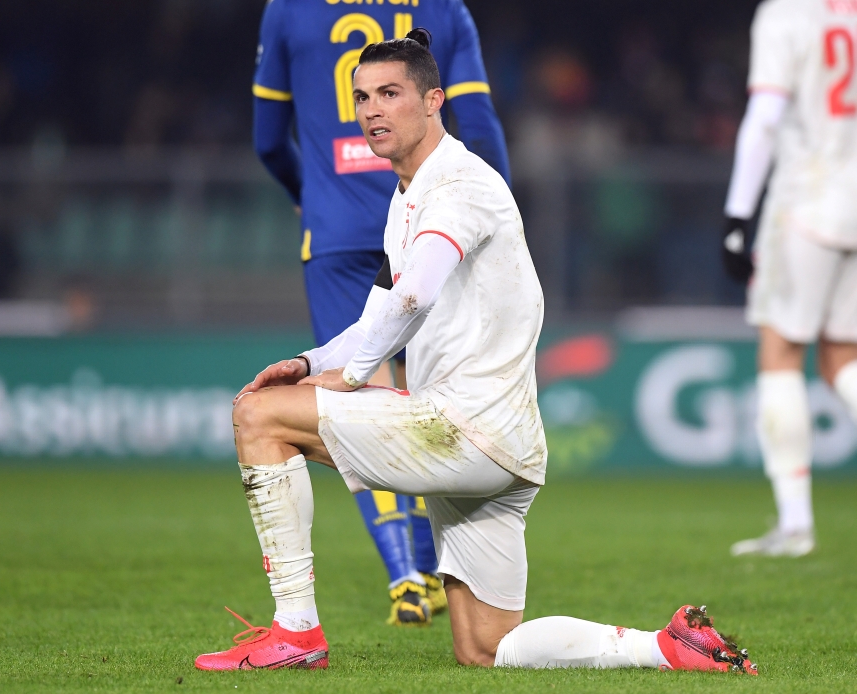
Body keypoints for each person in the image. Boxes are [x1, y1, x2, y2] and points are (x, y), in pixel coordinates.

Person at [196, 32, 758, 675]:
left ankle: (296, 633)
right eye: (361, 97)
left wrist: (343, 379)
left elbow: (414, 296)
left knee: (258, 415)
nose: (372, 109)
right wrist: (310, 360)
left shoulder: (458, 185)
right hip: (504, 444)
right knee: (486, 649)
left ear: (433, 100)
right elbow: (384, 308)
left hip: (461, 430)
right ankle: (669, 650)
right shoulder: (408, 196)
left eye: (390, 93)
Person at [252, 0, 511, 624]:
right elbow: (477, 117)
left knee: (361, 394)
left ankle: (403, 575)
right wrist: (499, 213)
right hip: (437, 208)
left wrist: (308, 196)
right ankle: (432, 563)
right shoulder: (444, 8)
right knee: (433, 392)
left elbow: (267, 139)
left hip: (336, 224)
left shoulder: (290, 9)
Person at [721, 0, 857, 557]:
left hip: (806, 198)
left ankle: (796, 524)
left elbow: (767, 117)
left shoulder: (787, 14)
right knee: (843, 357)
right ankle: (794, 525)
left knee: (780, 350)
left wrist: (736, 214)